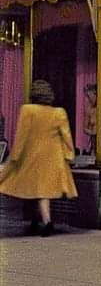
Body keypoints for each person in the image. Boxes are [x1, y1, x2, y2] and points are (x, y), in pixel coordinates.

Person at [0, 80, 77, 236]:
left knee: (33, 191)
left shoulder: (28, 110)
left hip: (32, 158)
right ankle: (43, 222)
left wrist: (14, 157)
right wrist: (69, 156)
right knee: (43, 192)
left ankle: (44, 222)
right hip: (53, 159)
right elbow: (67, 137)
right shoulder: (59, 113)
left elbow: (21, 137)